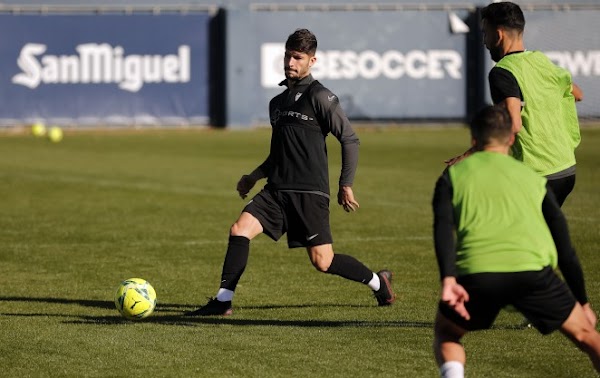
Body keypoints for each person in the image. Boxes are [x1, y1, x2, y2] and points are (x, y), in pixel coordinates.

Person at [185, 28, 395, 316]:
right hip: (276, 191)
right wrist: (254, 176)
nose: (290, 62)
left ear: (312, 60)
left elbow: (349, 139)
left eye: (297, 57)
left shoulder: (321, 97)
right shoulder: (277, 104)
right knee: (239, 230)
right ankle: (223, 301)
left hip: (309, 193)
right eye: (287, 56)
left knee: (323, 261)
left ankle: (377, 282)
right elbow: (279, 153)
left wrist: (345, 184)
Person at [432, 105, 600, 378]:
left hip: (478, 274)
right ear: (511, 138)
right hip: (533, 274)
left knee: (447, 333)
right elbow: (564, 246)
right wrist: (582, 302)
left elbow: (442, 228)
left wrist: (449, 280)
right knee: (588, 337)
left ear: (474, 140)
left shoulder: (452, 176)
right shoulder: (533, 178)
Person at [446, 1, 583, 207]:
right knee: (540, 233)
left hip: (538, 173)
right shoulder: (540, 61)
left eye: (486, 33)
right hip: (566, 167)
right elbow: (577, 93)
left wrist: (469, 155)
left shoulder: (502, 72)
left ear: (499, 35)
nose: (484, 40)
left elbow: (513, 124)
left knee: (506, 228)